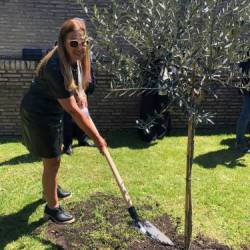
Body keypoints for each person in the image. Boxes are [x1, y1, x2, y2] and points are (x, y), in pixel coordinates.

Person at [20, 18, 107, 224]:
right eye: (74, 43)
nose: (80, 47)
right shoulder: (54, 66)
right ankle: (52, 208)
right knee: (53, 160)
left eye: (83, 42)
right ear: (62, 42)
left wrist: (82, 93)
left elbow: (80, 93)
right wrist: (98, 139)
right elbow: (75, 112)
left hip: (53, 111)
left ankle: (50, 188)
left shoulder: (75, 58)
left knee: (54, 153)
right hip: (39, 114)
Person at [63, 51, 96, 155]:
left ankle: (82, 140)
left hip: (83, 93)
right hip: (70, 94)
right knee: (68, 119)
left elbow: (90, 74)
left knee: (83, 116)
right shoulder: (70, 61)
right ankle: (67, 145)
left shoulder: (86, 59)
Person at [235, 56, 250, 153]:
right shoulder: (247, 59)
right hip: (248, 92)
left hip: (247, 91)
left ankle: (240, 142)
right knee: (245, 116)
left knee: (245, 117)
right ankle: (239, 143)